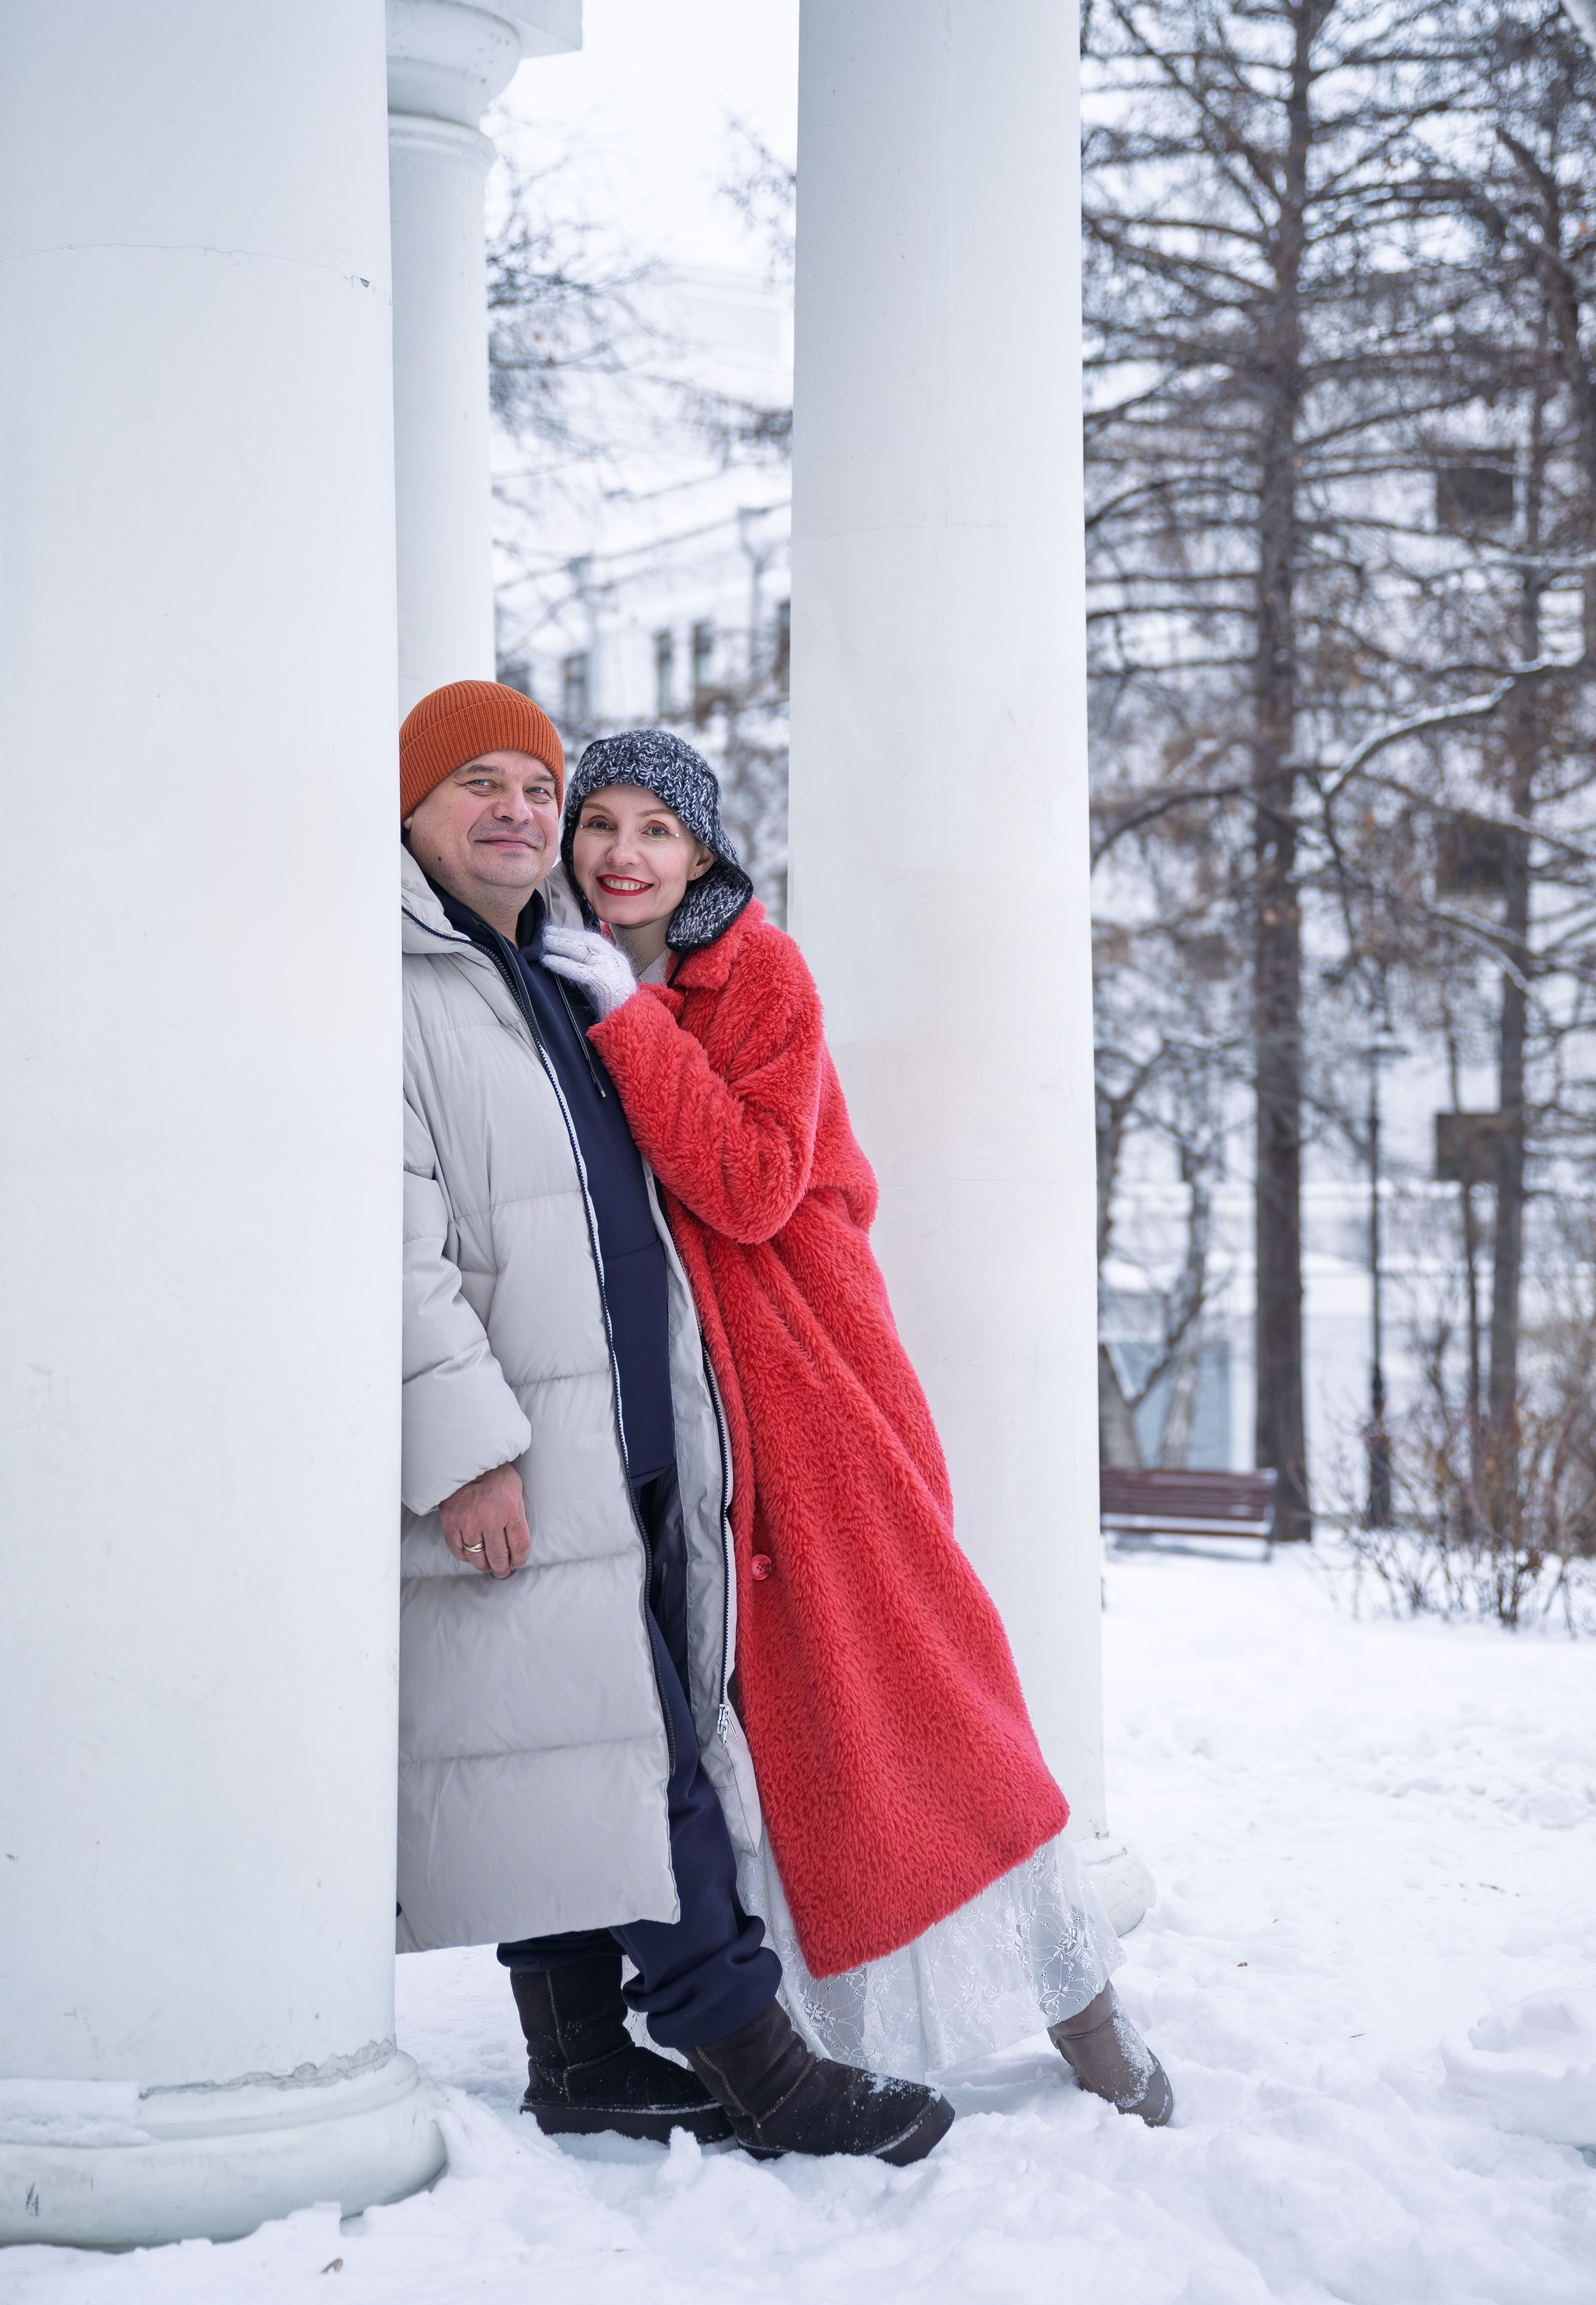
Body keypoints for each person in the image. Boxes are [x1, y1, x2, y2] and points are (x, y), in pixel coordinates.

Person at [543, 728, 1173, 2124]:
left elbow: (755, 1181)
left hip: (814, 1395)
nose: (623, 853)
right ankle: (830, 2030)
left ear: (700, 852)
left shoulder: (752, 970)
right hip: (689, 1410)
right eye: (602, 823)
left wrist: (627, 1023)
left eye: (656, 828)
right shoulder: (560, 969)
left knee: (931, 1693)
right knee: (773, 1732)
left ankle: (1080, 2006)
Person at [397, 678, 955, 2164]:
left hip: (640, 1424)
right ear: (411, 809)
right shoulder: (402, 980)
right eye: (486, 788)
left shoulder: (535, 964)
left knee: (572, 1739)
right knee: (639, 1748)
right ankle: (761, 2068)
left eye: (538, 784)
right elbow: (386, 1241)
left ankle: (577, 2051)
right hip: (526, 1440)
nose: (524, 814)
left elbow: (727, 1184)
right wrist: (463, 1445)